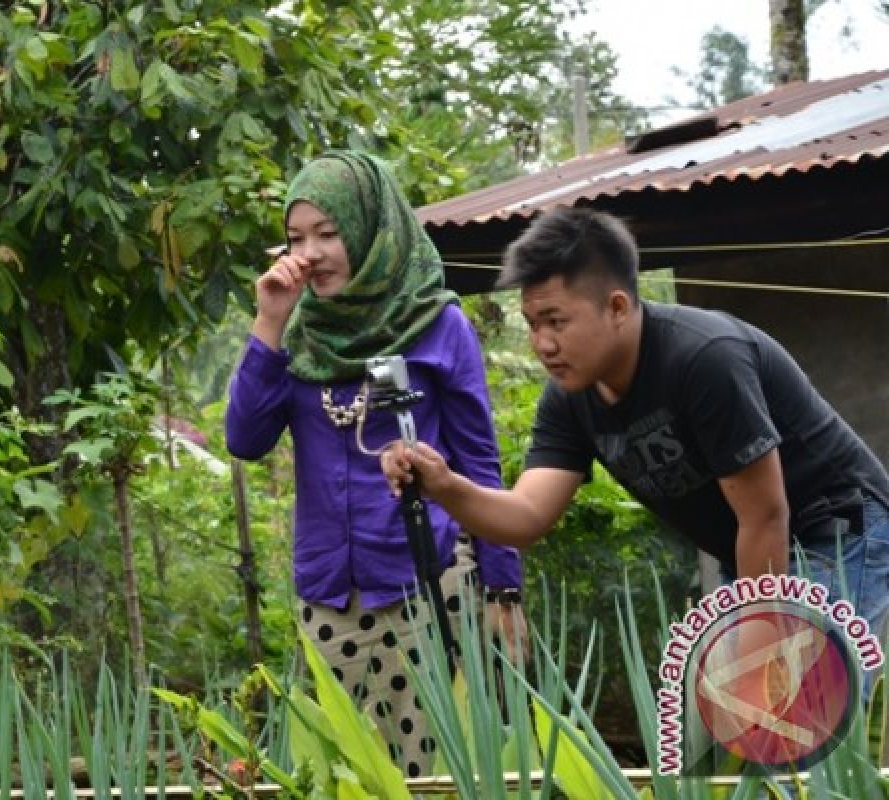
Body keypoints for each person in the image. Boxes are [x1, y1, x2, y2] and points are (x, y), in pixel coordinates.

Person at [382, 206, 889, 648]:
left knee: (797, 724)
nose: (542, 344)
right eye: (533, 324)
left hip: (840, 533)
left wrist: (759, 655)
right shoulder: (570, 397)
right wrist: (444, 485)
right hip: (757, 552)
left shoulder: (704, 360)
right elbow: (526, 517)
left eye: (556, 322)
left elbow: (766, 515)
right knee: (745, 735)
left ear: (618, 306)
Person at [225, 151, 524, 777]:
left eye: (328, 234)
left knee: (430, 775)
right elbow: (246, 440)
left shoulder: (437, 324)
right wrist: (270, 320)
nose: (311, 253)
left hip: (425, 587)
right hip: (326, 599)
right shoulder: (301, 332)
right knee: (342, 778)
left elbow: (479, 460)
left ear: (370, 229)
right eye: (296, 237)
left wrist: (504, 589)